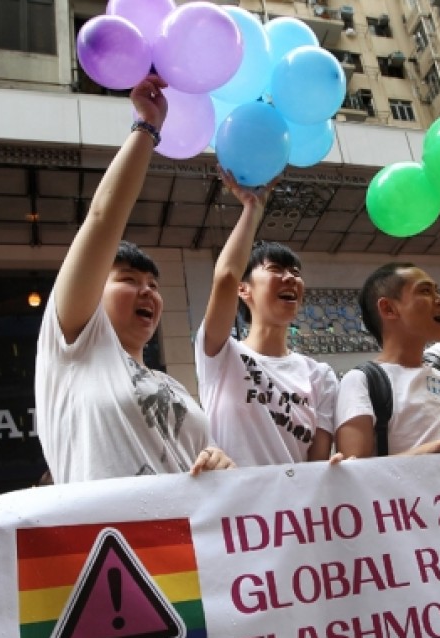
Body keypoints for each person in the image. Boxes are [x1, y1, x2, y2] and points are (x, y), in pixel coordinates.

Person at [35, 74, 234, 483]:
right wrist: (147, 127)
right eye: (128, 278)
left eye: (155, 286)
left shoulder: (172, 387)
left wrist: (219, 463)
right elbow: (103, 217)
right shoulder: (74, 348)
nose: (147, 291)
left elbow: (204, 471)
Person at [335, 201, 440, 457]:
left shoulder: (438, 363)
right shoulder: (362, 381)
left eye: (437, 290)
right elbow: (356, 475)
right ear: (389, 309)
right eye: (425, 291)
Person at [196, 171, 338, 466]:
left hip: (290, 511)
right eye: (276, 270)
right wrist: (252, 209)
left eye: (296, 273)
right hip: (229, 508)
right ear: (244, 290)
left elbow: (316, 464)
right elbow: (225, 276)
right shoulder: (221, 354)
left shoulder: (320, 376)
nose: (290, 278)